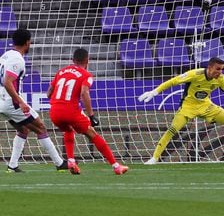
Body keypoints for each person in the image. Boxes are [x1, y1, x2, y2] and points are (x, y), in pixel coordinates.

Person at [139, 57, 224, 164]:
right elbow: (173, 81)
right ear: (209, 67)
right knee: (172, 131)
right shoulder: (194, 74)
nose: (220, 72)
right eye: (218, 69)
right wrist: (155, 91)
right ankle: (155, 158)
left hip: (207, 106)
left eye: (221, 69)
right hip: (188, 107)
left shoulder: (220, 79)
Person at [47, 48, 128, 175]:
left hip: (54, 112)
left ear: (72, 60)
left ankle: (71, 161)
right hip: (71, 111)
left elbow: (49, 92)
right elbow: (84, 92)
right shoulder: (87, 75)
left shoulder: (61, 71)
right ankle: (116, 166)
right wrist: (91, 115)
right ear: (87, 60)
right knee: (92, 134)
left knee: (68, 130)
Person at [0, 29, 68, 173]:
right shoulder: (17, 59)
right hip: (10, 102)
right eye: (30, 41)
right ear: (27, 42)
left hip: (2, 100)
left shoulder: (6, 55)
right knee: (40, 127)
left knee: (23, 129)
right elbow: (7, 82)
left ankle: (12, 166)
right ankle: (60, 163)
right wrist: (20, 102)